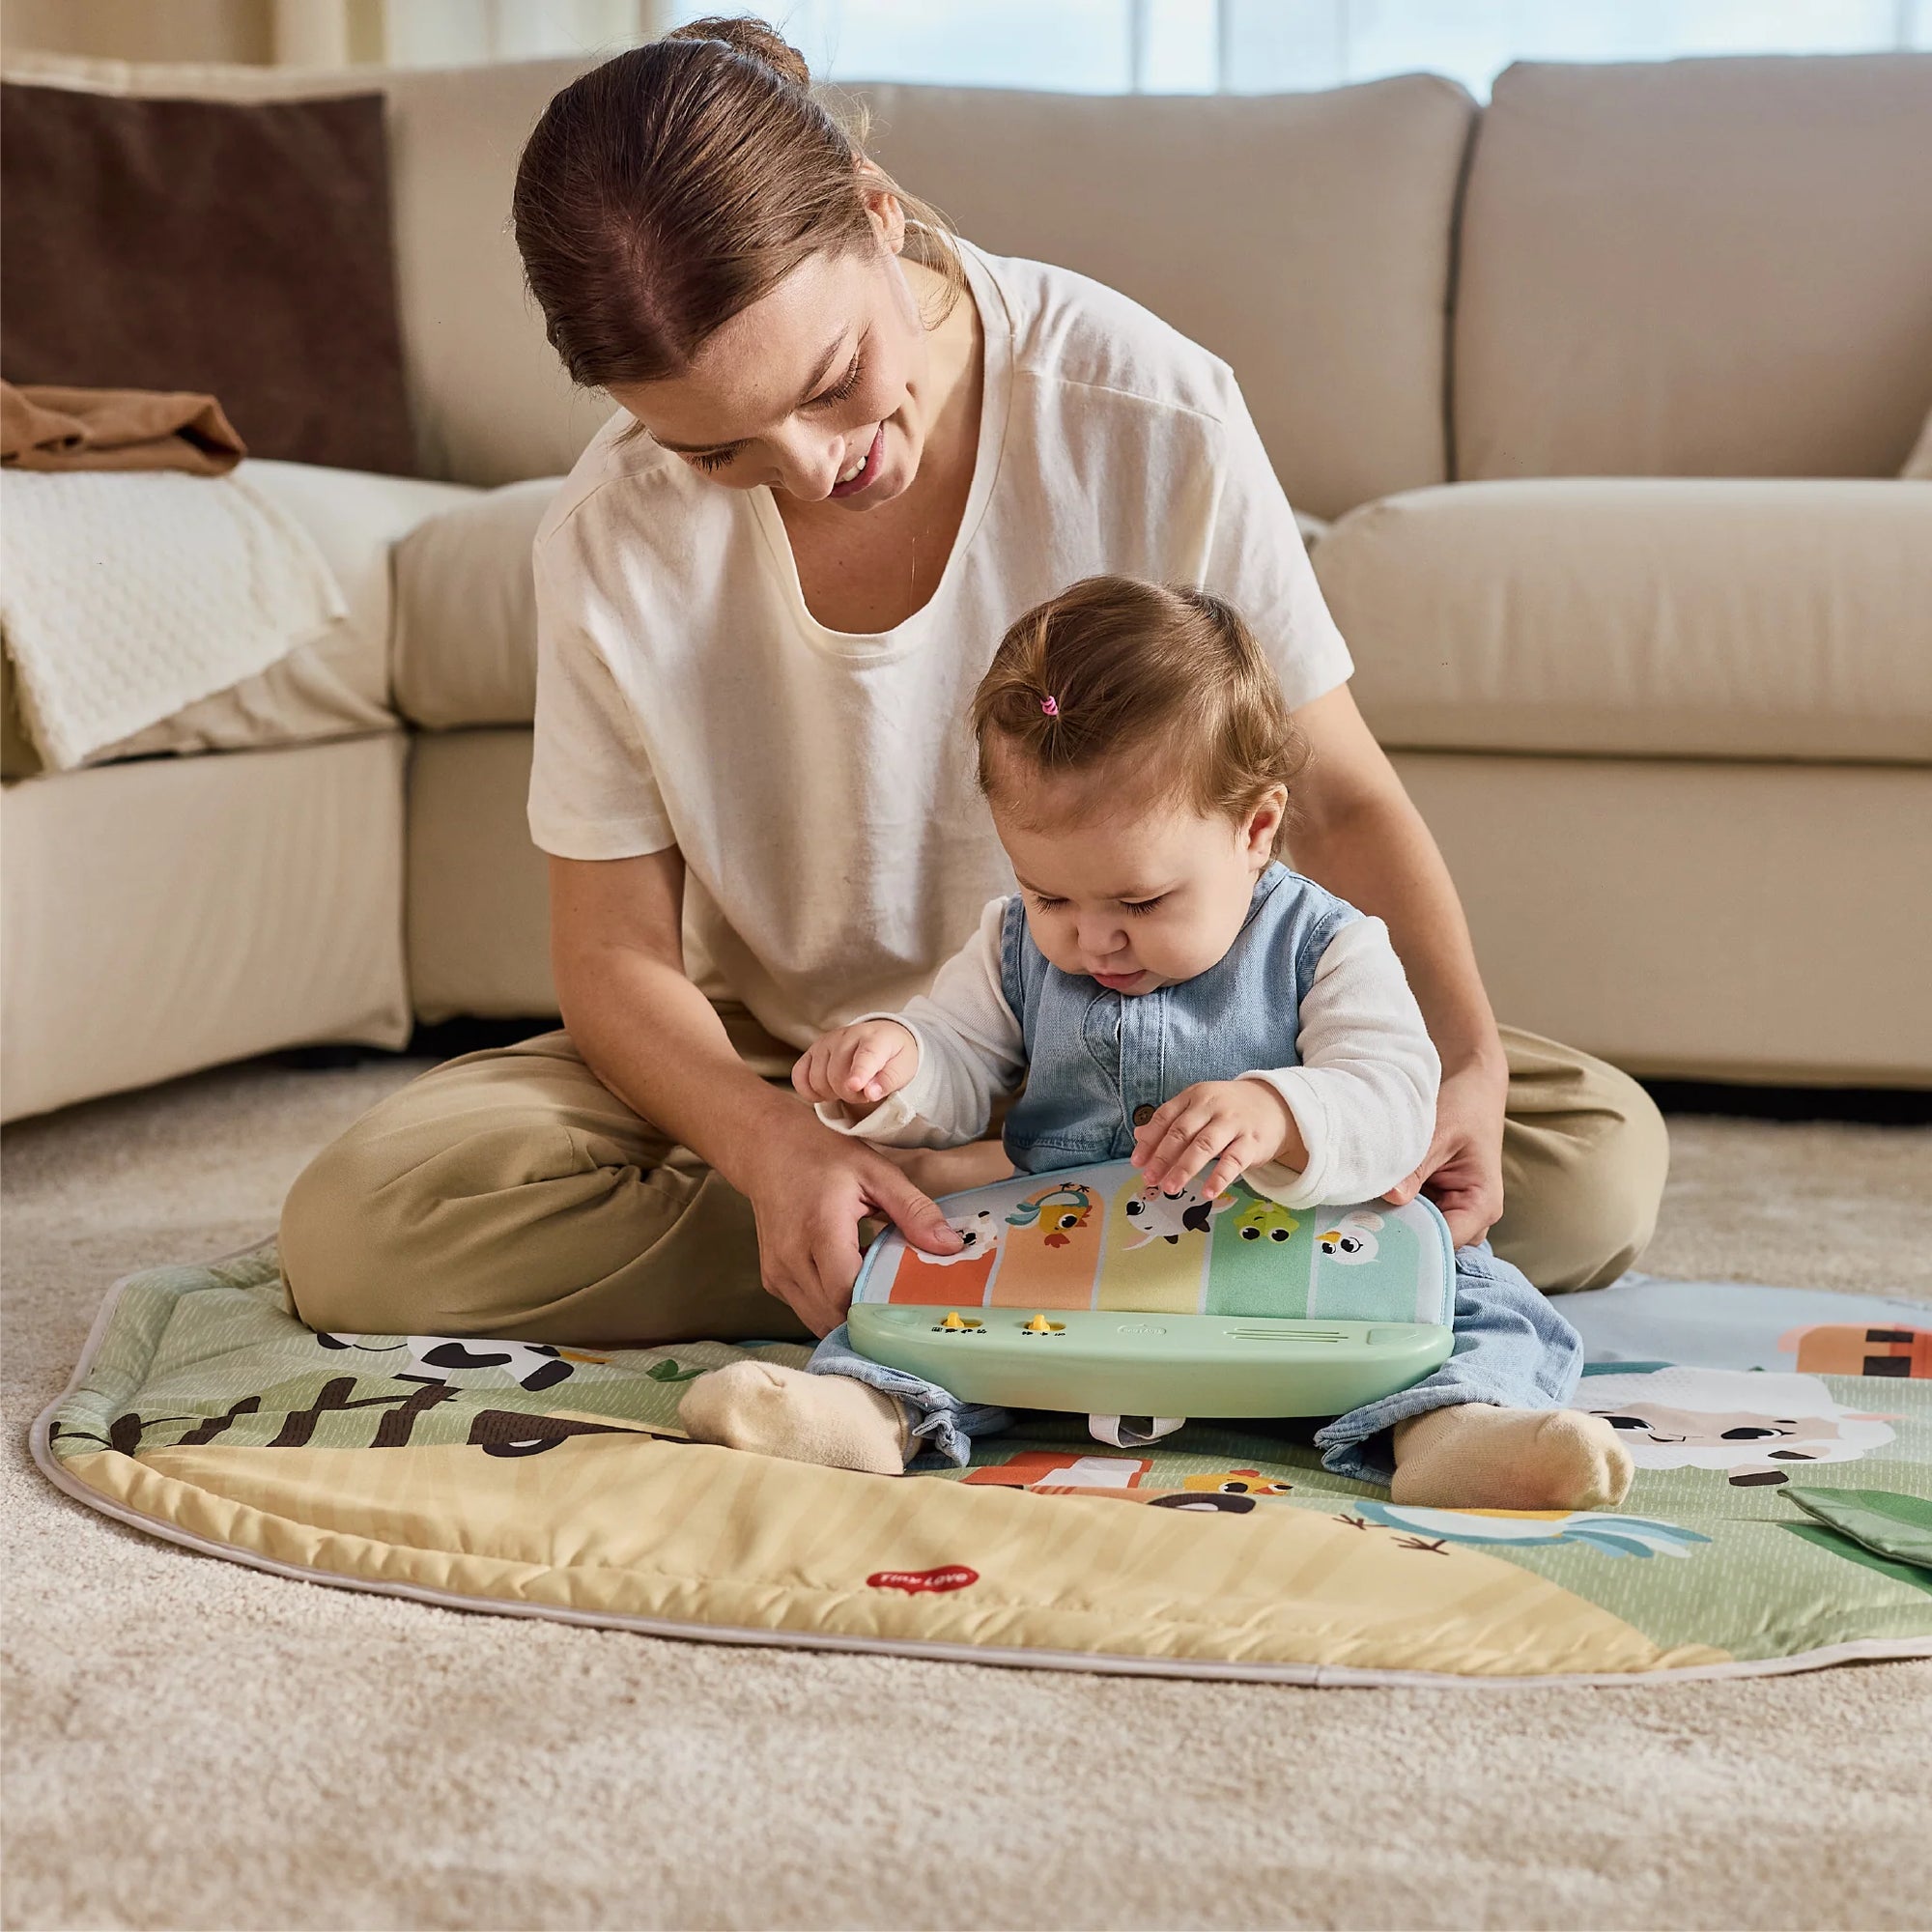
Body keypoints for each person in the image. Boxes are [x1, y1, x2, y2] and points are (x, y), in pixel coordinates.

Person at [276, 17, 1667, 1350]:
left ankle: (953, 1242)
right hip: (803, 1066)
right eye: (721, 452)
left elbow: (1337, 801)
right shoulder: (608, 535)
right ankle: (1036, 1236)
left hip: (1190, 1056)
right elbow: (613, 954)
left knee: (1589, 1159)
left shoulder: (1148, 410)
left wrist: (1467, 1065)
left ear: (876, 212)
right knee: (366, 1227)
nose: (817, 469)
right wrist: (772, 1144)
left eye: (832, 382)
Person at [679, 579, 1634, 1511]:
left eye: (1138, 901)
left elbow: (1390, 1098)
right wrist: (891, 1064)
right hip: (1064, 1264)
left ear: (1254, 828)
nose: (1091, 938)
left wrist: (1278, 1111)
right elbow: (957, 1053)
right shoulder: (1011, 942)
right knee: (910, 1286)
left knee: (1478, 1296)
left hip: (1296, 1257)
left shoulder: (1326, 943)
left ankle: (1457, 1426)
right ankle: (860, 1411)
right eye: (1049, 893)